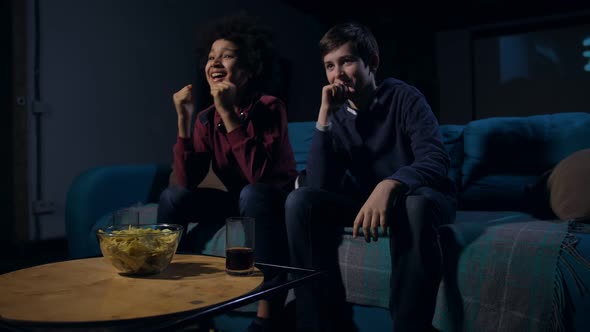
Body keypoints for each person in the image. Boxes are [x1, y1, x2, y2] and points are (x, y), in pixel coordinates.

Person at [285, 22, 456, 332]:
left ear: (372, 62)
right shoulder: (336, 116)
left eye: (346, 61)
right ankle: (316, 325)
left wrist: (391, 184)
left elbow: (435, 159)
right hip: (366, 204)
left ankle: (410, 326)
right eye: (329, 66)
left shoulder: (404, 97)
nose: (337, 73)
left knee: (415, 205)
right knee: (300, 201)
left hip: (418, 198)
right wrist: (323, 117)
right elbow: (320, 186)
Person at [157, 14, 297, 332]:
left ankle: (267, 315)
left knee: (253, 193)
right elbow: (186, 181)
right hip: (237, 200)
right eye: (211, 57)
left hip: (272, 199)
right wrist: (184, 119)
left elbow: (258, 175)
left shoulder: (270, 107)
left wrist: (229, 113)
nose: (215, 62)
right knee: (172, 197)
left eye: (227, 55)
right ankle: (167, 300)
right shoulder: (206, 118)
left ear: (246, 71)